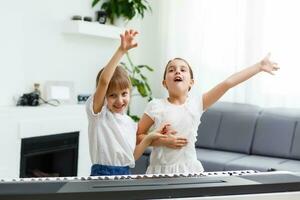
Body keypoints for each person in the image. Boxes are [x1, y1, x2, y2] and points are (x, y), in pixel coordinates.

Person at [137, 54, 279, 174]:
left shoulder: (196, 104)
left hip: (189, 171)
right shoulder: (155, 106)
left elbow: (227, 83)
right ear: (164, 83)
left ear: (191, 82)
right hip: (159, 172)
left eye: (183, 69)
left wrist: (259, 66)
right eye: (172, 70)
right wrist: (163, 141)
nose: (177, 72)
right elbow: (138, 137)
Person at [86, 29, 166, 176]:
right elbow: (104, 81)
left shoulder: (130, 123)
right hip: (102, 175)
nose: (119, 100)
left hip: (126, 174)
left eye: (124, 94)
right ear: (104, 96)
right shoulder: (99, 115)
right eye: (112, 95)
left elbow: (132, 157)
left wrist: (149, 137)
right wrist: (121, 51)